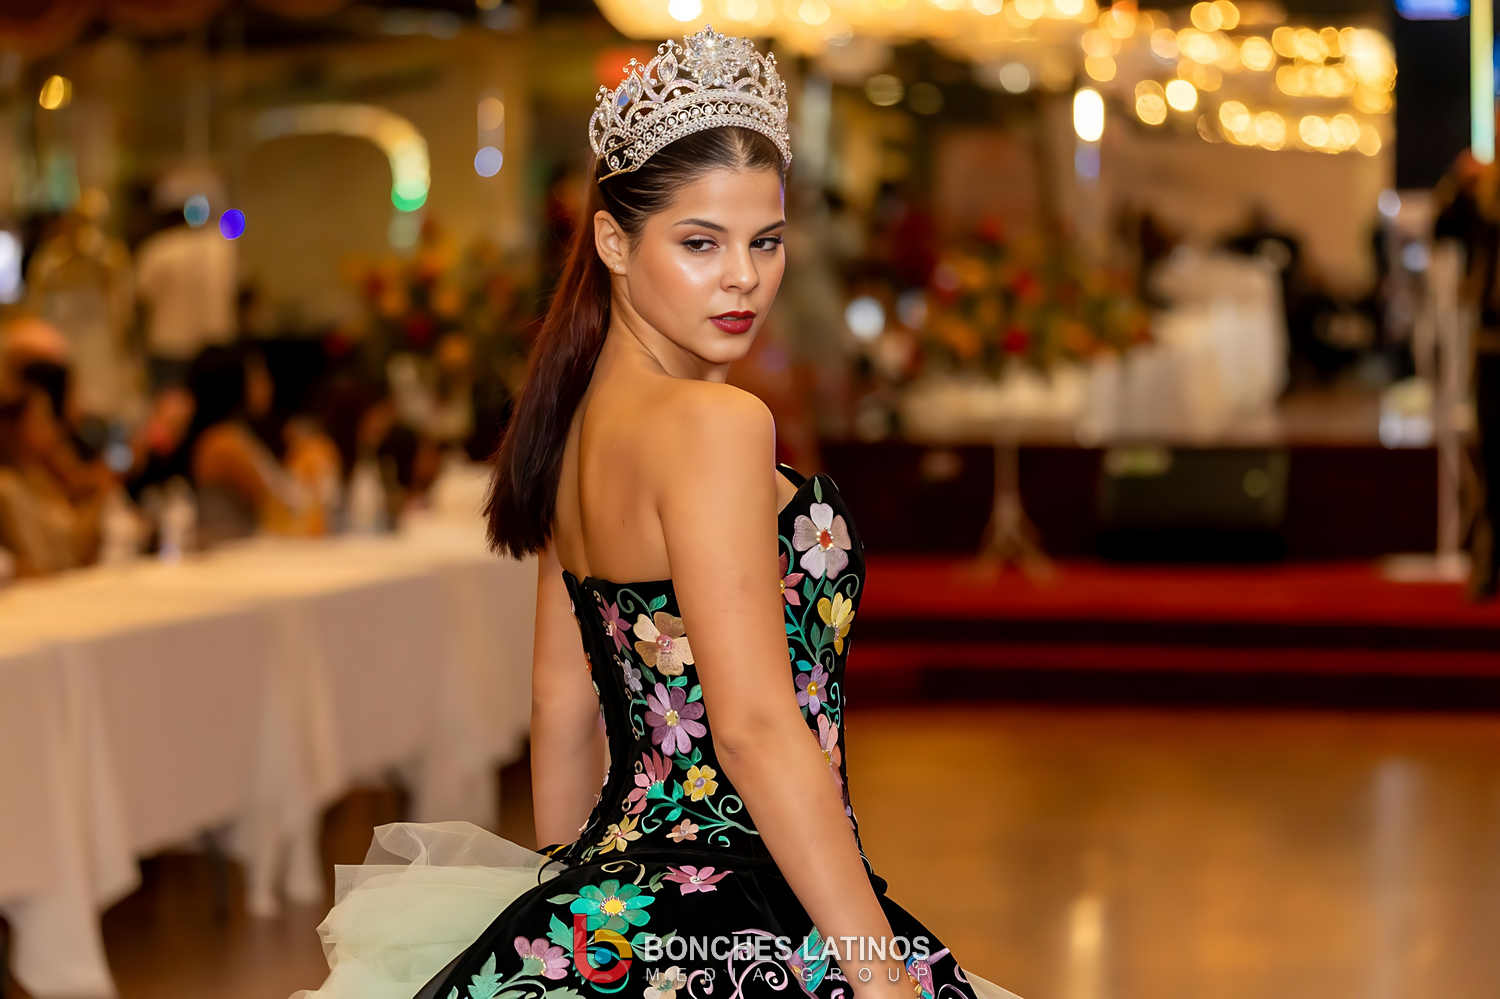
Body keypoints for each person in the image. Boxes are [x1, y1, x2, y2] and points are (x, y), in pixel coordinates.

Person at [295, 28, 1016, 999]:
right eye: (700, 243)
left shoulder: (573, 426)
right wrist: (878, 973)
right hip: (742, 910)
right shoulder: (716, 425)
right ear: (612, 241)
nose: (743, 277)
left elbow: (560, 707)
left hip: (614, 907)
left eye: (766, 241)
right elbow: (754, 729)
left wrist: (565, 921)